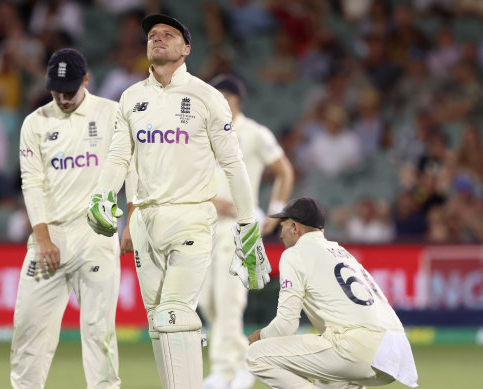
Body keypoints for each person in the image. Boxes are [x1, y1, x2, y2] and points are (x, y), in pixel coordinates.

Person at [86, 14, 271, 389]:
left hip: (190, 217)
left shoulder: (207, 97)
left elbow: (233, 164)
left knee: (175, 313)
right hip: (144, 220)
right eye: (152, 35)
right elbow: (120, 157)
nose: (157, 38)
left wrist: (248, 224)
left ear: (186, 49)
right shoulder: (131, 97)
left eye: (168, 35)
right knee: (159, 321)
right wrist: (102, 196)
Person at [10, 48, 127, 389]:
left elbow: (132, 169)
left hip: (96, 235)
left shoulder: (112, 114)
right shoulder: (34, 123)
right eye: (56, 89)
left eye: (69, 89)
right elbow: (31, 183)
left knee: (98, 329)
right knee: (29, 328)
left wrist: (133, 218)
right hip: (49, 238)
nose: (62, 97)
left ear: (86, 80)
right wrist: (43, 238)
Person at [247, 197, 419, 389]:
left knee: (256, 355)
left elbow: (286, 326)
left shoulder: (294, 253)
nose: (280, 234)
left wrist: (260, 336)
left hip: (358, 347)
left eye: (283, 226)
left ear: (295, 227)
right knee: (326, 379)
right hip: (397, 353)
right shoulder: (342, 252)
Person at [200, 74, 294, 389]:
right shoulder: (201, 134)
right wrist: (211, 199)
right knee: (208, 302)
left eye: (222, 97)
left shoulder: (254, 133)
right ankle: (244, 362)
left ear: (235, 101)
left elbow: (284, 170)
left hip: (241, 229)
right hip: (203, 225)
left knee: (229, 302)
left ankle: (224, 371)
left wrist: (274, 212)